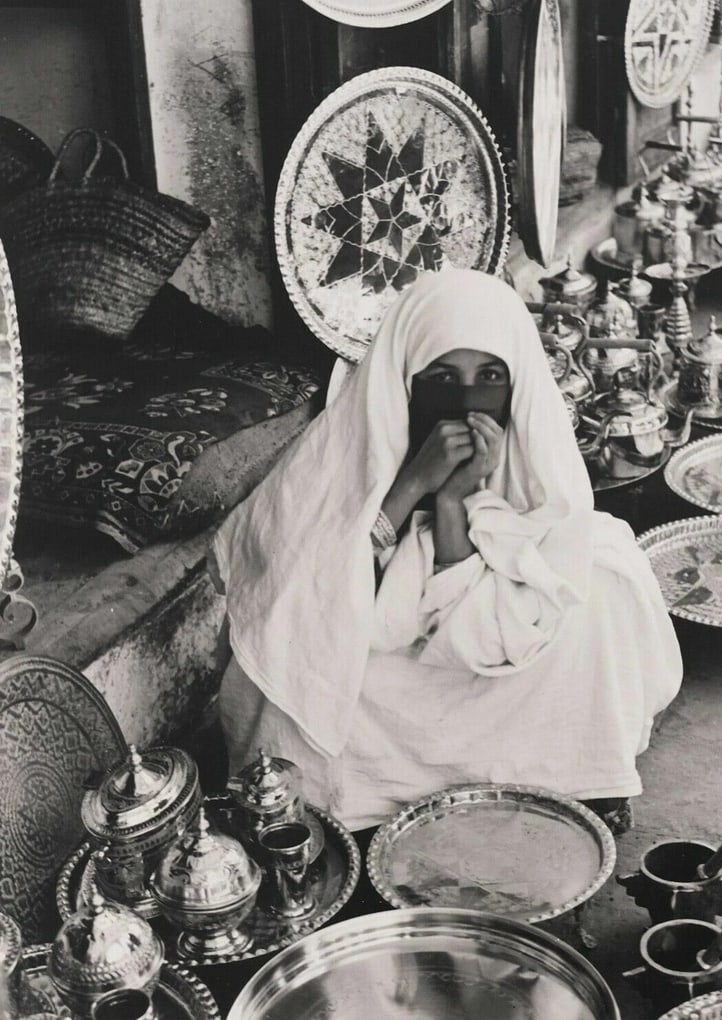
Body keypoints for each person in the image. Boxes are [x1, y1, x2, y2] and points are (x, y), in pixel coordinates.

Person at [212, 269, 683, 832]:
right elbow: (308, 587)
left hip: (469, 640)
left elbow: (494, 594)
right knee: (298, 672)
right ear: (406, 378)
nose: (466, 395)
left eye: (488, 375)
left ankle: (570, 775)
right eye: (442, 375)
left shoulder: (528, 445)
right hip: (381, 664)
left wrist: (456, 499)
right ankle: (360, 801)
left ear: (518, 381)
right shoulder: (348, 443)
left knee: (604, 587)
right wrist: (414, 482)